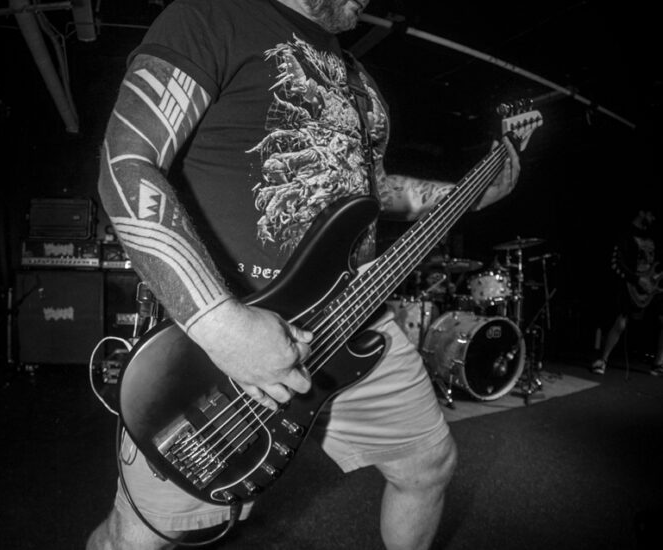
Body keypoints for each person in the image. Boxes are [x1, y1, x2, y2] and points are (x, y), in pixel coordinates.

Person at [86, 1, 520, 548]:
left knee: (428, 464)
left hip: (357, 316)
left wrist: (469, 195)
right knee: (142, 537)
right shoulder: (213, 14)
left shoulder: (360, 82)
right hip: (226, 332)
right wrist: (223, 326)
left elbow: (371, 191)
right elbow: (126, 164)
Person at [591, 207, 663, 376]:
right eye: (651, 214)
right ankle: (602, 360)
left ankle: (659, 363)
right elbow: (615, 263)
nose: (653, 219)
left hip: (652, 286)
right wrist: (636, 279)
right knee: (621, 323)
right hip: (632, 286)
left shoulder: (653, 235)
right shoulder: (625, 234)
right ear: (641, 212)